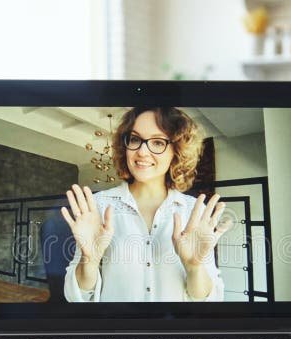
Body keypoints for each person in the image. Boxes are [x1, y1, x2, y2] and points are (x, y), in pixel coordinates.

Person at [61, 107, 232, 302]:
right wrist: (89, 262)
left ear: (176, 150)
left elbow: (210, 299)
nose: (142, 151)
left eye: (158, 142)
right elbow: (75, 297)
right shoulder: (98, 206)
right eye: (134, 139)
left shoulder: (194, 212)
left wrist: (194, 267)